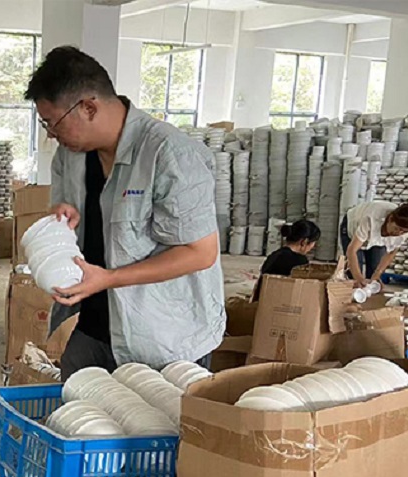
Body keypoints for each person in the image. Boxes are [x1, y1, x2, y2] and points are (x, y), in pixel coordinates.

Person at [24, 46, 224, 379]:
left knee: (155, 411)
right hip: (96, 324)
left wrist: (110, 279)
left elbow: (200, 253)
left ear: (88, 107)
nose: (51, 134)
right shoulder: (70, 155)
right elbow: (66, 210)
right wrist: (63, 215)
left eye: (53, 123)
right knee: (76, 401)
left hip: (163, 338)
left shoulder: (170, 154)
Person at [340, 201, 408, 288]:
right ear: (390, 219)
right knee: (353, 274)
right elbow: (352, 250)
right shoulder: (370, 218)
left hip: (377, 233)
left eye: (404, 232)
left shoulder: (407, 228)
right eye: (397, 228)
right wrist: (358, 278)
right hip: (353, 225)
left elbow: (391, 253)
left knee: (374, 271)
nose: (399, 233)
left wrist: (377, 275)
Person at [252, 220, 319, 301]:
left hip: (263, 300)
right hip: (281, 303)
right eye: (313, 243)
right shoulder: (299, 262)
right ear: (304, 242)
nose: (312, 247)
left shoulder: (274, 255)